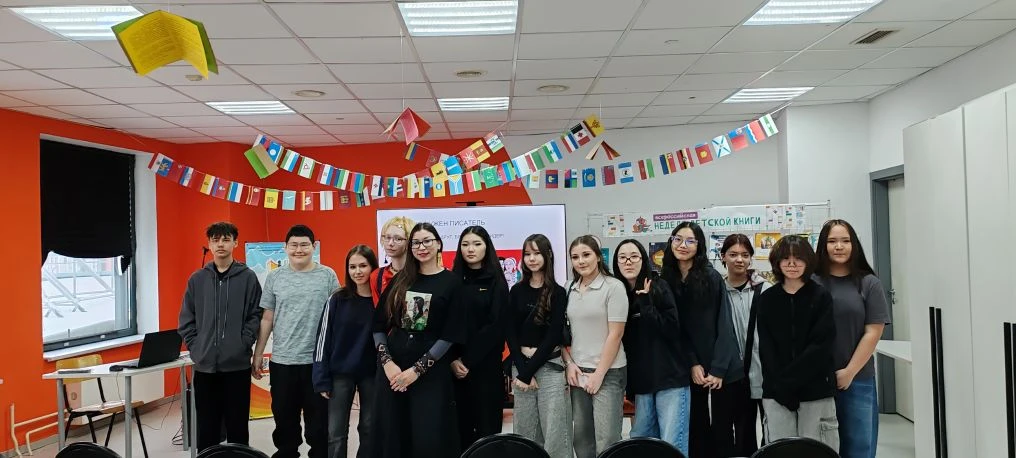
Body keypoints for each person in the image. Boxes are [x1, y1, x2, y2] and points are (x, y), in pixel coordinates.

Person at [372, 223, 467, 458]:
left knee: (428, 437)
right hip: (393, 371)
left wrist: (416, 371)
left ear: (438, 244)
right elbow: (378, 326)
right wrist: (387, 363)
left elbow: (450, 335)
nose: (421, 247)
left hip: (430, 373)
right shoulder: (401, 280)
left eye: (427, 241)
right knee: (393, 434)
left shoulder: (452, 282)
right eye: (416, 242)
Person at [253, 225, 340, 458]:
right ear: (285, 248)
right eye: (294, 245)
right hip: (283, 362)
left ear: (314, 246)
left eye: (304, 245)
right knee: (284, 420)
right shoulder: (275, 277)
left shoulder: (327, 275)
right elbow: (267, 317)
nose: (298, 250)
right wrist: (258, 353)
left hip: (318, 362)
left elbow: (337, 317)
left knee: (319, 423)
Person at [660, 222, 743, 458]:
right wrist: (693, 363)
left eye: (690, 241)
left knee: (723, 431)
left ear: (699, 246)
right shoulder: (666, 279)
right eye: (678, 239)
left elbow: (724, 324)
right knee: (695, 428)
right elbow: (675, 328)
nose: (683, 245)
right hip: (687, 366)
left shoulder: (711, 277)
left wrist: (718, 369)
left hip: (721, 367)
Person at [178, 222, 263, 451]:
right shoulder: (197, 279)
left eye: (226, 239)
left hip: (237, 366)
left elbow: (255, 315)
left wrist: (243, 343)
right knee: (207, 427)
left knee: (238, 427)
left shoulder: (248, 278)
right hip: (205, 367)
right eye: (215, 240)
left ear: (235, 243)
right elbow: (186, 320)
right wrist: (197, 348)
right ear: (209, 244)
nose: (220, 244)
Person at [814, 219, 891, 458]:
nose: (839, 246)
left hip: (857, 378)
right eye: (832, 241)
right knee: (821, 446)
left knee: (859, 446)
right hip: (816, 379)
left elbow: (873, 331)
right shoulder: (812, 282)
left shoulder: (869, 283)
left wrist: (849, 372)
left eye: (845, 241)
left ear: (854, 244)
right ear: (823, 245)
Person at [756, 235, 839, 449]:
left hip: (815, 390)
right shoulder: (767, 299)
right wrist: (781, 387)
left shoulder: (821, 297)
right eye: (786, 259)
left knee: (816, 450)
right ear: (777, 262)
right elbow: (766, 349)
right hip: (776, 393)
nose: (792, 264)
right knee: (780, 450)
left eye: (798, 258)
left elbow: (820, 346)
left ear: (808, 261)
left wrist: (790, 382)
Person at [613, 239, 690, 456]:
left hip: (670, 380)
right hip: (642, 384)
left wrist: (646, 304)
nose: (628, 262)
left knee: (672, 444)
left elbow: (672, 329)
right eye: (622, 258)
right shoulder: (618, 293)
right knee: (641, 443)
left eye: (634, 256)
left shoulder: (658, 286)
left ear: (643, 259)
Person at [561, 235, 628, 458]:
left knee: (607, 439)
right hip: (578, 372)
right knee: (582, 437)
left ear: (598, 257)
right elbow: (561, 332)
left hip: (608, 372)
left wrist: (599, 374)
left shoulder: (613, 287)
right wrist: (569, 364)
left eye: (586, 255)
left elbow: (615, 334)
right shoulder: (569, 287)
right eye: (575, 257)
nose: (581, 261)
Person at [506, 234, 571, 458]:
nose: (531, 259)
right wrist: (523, 370)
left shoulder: (558, 292)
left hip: (550, 367)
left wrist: (528, 372)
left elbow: (553, 336)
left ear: (548, 255)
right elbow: (510, 332)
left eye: (537, 253)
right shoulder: (516, 291)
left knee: (555, 432)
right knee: (524, 432)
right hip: (521, 367)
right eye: (527, 254)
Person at [313, 245, 380, 458]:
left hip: (372, 374)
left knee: (369, 428)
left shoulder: (381, 300)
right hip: (340, 374)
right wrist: (321, 378)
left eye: (363, 266)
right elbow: (323, 340)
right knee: (336, 433)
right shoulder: (337, 299)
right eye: (352, 267)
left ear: (373, 267)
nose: (357, 271)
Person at [450, 226, 510, 449]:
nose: (470, 249)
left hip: (486, 368)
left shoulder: (496, 281)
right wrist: (453, 359)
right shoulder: (452, 281)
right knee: (460, 431)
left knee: (487, 433)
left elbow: (496, 326)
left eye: (477, 244)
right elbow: (447, 325)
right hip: (455, 369)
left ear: (487, 247)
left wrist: (467, 360)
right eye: (465, 244)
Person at [720, 234, 772, 455]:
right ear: (723, 257)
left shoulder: (765, 288)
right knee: (743, 431)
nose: (739, 260)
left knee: (770, 429)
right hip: (734, 374)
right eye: (733, 254)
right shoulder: (718, 291)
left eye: (745, 255)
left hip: (765, 371)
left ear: (751, 258)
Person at [371, 216, 415, 304]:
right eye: (387, 237)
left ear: (409, 242)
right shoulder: (377, 276)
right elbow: (378, 309)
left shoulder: (421, 273)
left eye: (398, 239)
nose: (390, 243)